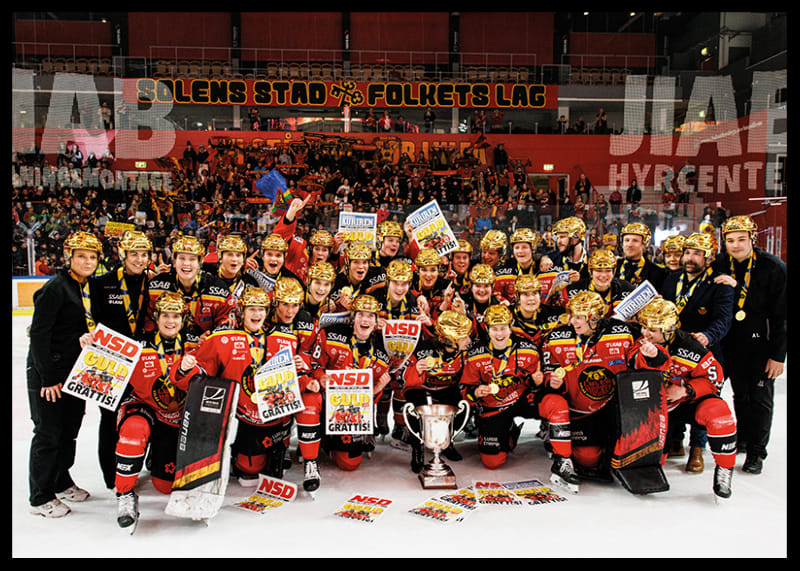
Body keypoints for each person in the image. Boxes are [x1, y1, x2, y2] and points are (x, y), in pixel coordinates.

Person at [179, 284, 311, 487]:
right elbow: (199, 372)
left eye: (261, 309)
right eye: (251, 309)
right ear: (242, 311)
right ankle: (236, 454)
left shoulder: (287, 338)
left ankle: (280, 446)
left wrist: (303, 373)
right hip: (241, 417)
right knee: (249, 468)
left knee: (274, 468)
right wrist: (185, 369)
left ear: (267, 312)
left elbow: (295, 381)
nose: (257, 314)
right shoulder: (222, 338)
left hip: (273, 417)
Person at [540, 290, 670, 481]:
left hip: (613, 407)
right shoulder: (556, 336)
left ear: (594, 318)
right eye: (572, 316)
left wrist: (652, 354)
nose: (573, 321)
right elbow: (547, 371)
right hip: (579, 409)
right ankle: (553, 433)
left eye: (579, 317)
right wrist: (552, 381)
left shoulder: (621, 331)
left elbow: (639, 358)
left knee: (643, 453)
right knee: (587, 459)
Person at [461, 304, 580, 492]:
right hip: (494, 406)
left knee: (556, 403)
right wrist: (475, 392)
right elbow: (464, 388)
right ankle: (508, 434)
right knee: (492, 462)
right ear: (487, 329)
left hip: (523, 398)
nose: (499, 333)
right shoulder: (475, 353)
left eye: (503, 328)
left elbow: (539, 379)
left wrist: (539, 381)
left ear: (510, 328)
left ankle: (563, 460)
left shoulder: (528, 348)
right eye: (494, 329)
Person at [27, 231, 103, 517]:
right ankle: (40, 496)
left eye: (92, 257)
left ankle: (60, 480)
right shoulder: (55, 288)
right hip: (50, 374)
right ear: (68, 257)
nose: (87, 262)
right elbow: (39, 334)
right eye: (81, 256)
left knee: (69, 430)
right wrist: (48, 378)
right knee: (48, 433)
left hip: (75, 372)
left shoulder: (87, 288)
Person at [636, 299, 737, 501]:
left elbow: (715, 379)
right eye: (644, 327)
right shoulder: (638, 342)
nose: (646, 333)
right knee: (649, 465)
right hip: (655, 409)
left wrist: (686, 390)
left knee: (718, 414)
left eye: (652, 330)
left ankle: (725, 469)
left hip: (686, 403)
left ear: (669, 329)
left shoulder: (692, 347)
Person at [111, 292, 196, 530]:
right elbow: (103, 363)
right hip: (144, 406)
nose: (171, 321)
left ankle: (154, 457)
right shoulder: (136, 344)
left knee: (164, 486)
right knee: (134, 430)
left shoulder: (195, 343)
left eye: (176, 316)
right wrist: (90, 344)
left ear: (183, 319)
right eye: (165, 315)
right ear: (156, 318)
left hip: (176, 416)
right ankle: (124, 493)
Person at [712, 215, 786, 474]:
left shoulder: (773, 267)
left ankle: (757, 452)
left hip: (760, 345)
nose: (736, 245)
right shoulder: (721, 263)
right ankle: (743, 438)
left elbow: (782, 315)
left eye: (741, 239)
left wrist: (778, 355)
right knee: (739, 395)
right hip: (730, 343)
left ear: (753, 239)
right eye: (730, 240)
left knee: (760, 399)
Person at [302, 294, 391, 488]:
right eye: (360, 314)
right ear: (353, 317)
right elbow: (314, 364)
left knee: (350, 463)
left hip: (352, 412)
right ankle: (314, 444)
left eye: (370, 315)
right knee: (311, 398)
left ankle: (328, 441)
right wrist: (320, 377)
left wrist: (378, 388)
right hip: (327, 401)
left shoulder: (382, 350)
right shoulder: (331, 334)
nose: (365, 320)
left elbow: (368, 399)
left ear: (376, 321)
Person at [89, 230, 154, 490]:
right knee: (109, 418)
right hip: (110, 362)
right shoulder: (102, 283)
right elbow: (87, 316)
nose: (139, 259)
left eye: (143, 254)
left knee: (141, 416)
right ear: (122, 254)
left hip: (141, 362)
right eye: (133, 254)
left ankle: (136, 465)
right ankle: (110, 476)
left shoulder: (152, 282)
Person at [402, 310, 473, 473]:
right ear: (449, 339)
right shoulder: (421, 349)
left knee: (462, 405)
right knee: (415, 408)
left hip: (447, 389)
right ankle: (417, 447)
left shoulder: (465, 351)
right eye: (463, 338)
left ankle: (447, 442)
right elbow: (402, 376)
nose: (469, 341)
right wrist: (416, 370)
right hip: (421, 388)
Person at [146, 234, 233, 350]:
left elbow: (226, 326)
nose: (186, 263)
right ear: (174, 261)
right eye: (182, 258)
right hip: (165, 350)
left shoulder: (219, 289)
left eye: (192, 259)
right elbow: (148, 324)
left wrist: (211, 338)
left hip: (205, 350)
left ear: (199, 263)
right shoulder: (156, 286)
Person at [561, 248, 635, 316]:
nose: (603, 275)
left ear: (614, 272)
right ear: (591, 272)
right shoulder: (572, 291)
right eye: (599, 270)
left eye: (608, 270)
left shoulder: (627, 289)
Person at [615, 222, 667, 291]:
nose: (629, 244)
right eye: (627, 240)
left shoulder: (657, 272)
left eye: (635, 241)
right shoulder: (613, 267)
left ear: (644, 245)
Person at [494, 227, 538, 304]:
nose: (520, 251)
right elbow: (495, 294)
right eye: (517, 248)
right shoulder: (503, 272)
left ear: (532, 249)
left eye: (524, 247)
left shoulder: (542, 268)